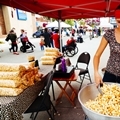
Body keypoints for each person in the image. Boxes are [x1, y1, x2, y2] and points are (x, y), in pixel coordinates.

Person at [93, 5, 120, 87]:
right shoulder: (109, 33)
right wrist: (96, 72)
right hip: (110, 75)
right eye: (119, 22)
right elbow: (97, 55)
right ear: (115, 20)